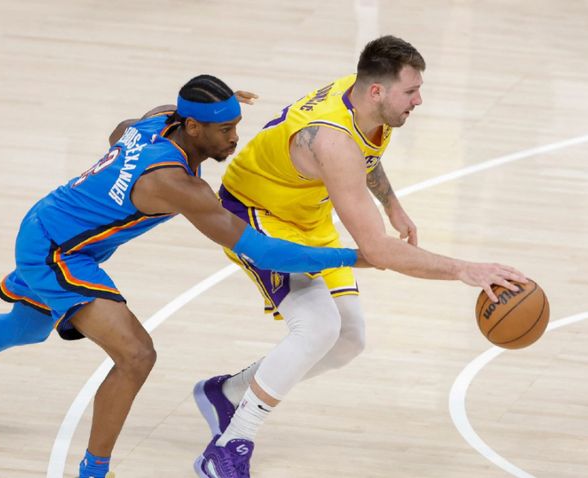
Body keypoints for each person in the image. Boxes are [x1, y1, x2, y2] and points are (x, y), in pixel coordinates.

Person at [0, 75, 371, 478]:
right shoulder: (177, 185)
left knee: (26, 326)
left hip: (54, 226)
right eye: (224, 129)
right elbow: (262, 250)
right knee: (136, 355)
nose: (235, 138)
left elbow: (121, 129)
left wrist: (210, 107)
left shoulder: (157, 122)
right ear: (192, 127)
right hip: (56, 251)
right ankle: (93, 472)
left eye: (236, 125)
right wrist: (355, 256)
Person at [192, 36, 528, 478]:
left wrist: (391, 204)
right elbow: (377, 249)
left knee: (348, 339)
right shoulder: (332, 139)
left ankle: (227, 393)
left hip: (306, 215)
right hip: (256, 214)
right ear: (377, 91)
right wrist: (466, 270)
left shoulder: (365, 102)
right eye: (411, 91)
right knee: (317, 328)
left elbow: (364, 156)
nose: (419, 100)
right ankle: (229, 445)